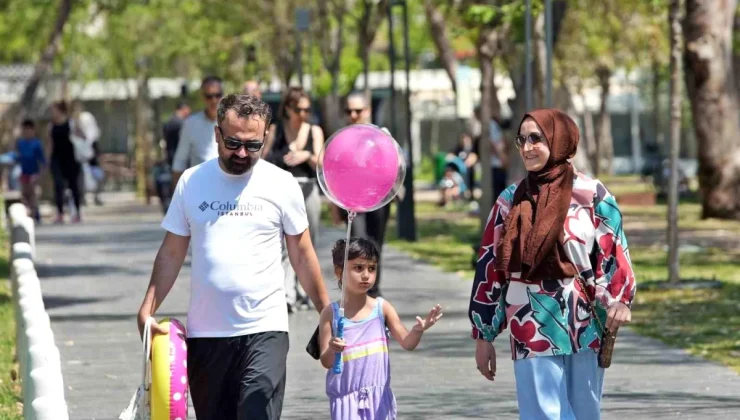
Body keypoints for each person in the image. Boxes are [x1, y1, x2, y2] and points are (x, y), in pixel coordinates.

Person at [136, 93, 331, 420]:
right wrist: (147, 309)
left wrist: (326, 311)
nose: (242, 153)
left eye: (252, 145)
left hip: (265, 329)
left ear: (266, 138)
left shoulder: (281, 184)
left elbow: (301, 252)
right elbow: (171, 253)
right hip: (207, 336)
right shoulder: (192, 182)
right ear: (216, 135)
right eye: (233, 143)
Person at [468, 108, 636, 420]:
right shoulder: (510, 200)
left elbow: (614, 252)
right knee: (541, 414)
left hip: (585, 323)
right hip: (529, 321)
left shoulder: (591, 194)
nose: (527, 147)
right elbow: (489, 269)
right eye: (522, 140)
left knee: (585, 412)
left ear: (559, 140)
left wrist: (620, 299)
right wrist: (484, 335)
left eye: (536, 138)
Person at [319, 237, 443, 420]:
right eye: (358, 268)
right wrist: (332, 348)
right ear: (339, 271)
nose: (366, 275)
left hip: (379, 401)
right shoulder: (330, 313)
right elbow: (326, 360)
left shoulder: (382, 308)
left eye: (372, 268)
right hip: (346, 402)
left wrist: (418, 330)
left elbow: (407, 342)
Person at [264, 86, 325, 312]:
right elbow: (264, 159)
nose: (304, 114)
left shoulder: (314, 130)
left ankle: (306, 292)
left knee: (309, 244)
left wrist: (306, 155)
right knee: (285, 246)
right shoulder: (276, 130)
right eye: (299, 109)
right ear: (288, 109)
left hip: (307, 189)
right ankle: (287, 294)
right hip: (282, 191)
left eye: (307, 109)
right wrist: (284, 153)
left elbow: (321, 162)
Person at [343, 92, 392, 298]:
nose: (354, 115)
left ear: (368, 111)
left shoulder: (382, 134)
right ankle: (360, 292)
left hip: (379, 199)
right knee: (359, 244)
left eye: (358, 110)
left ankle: (374, 292)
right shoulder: (342, 138)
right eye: (349, 111)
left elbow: (393, 165)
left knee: (375, 244)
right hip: (354, 201)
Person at [171, 76, 223, 186]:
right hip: (200, 185)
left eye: (217, 95)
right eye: (209, 96)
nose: (214, 100)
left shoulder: (232, 122)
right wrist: (176, 192)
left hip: (227, 184)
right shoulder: (190, 123)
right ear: (203, 97)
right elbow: (180, 159)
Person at [49, 101, 83, 224]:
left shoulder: (71, 123)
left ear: (60, 110)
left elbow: (83, 136)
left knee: (73, 186)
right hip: (57, 159)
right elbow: (50, 143)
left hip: (71, 159)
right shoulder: (51, 125)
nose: (52, 113)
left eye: (53, 110)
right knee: (58, 185)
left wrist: (76, 134)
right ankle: (60, 213)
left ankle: (77, 213)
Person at [15, 119, 46, 221]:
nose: (27, 132)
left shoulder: (36, 144)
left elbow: (42, 160)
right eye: (25, 130)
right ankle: (29, 214)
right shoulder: (21, 143)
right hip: (24, 173)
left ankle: (34, 215)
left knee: (33, 195)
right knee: (24, 195)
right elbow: (18, 157)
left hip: (34, 173)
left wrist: (40, 174)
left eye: (29, 130)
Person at [163, 101, 192, 167]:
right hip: (178, 160)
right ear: (184, 109)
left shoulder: (170, 121)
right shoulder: (179, 123)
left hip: (171, 157)